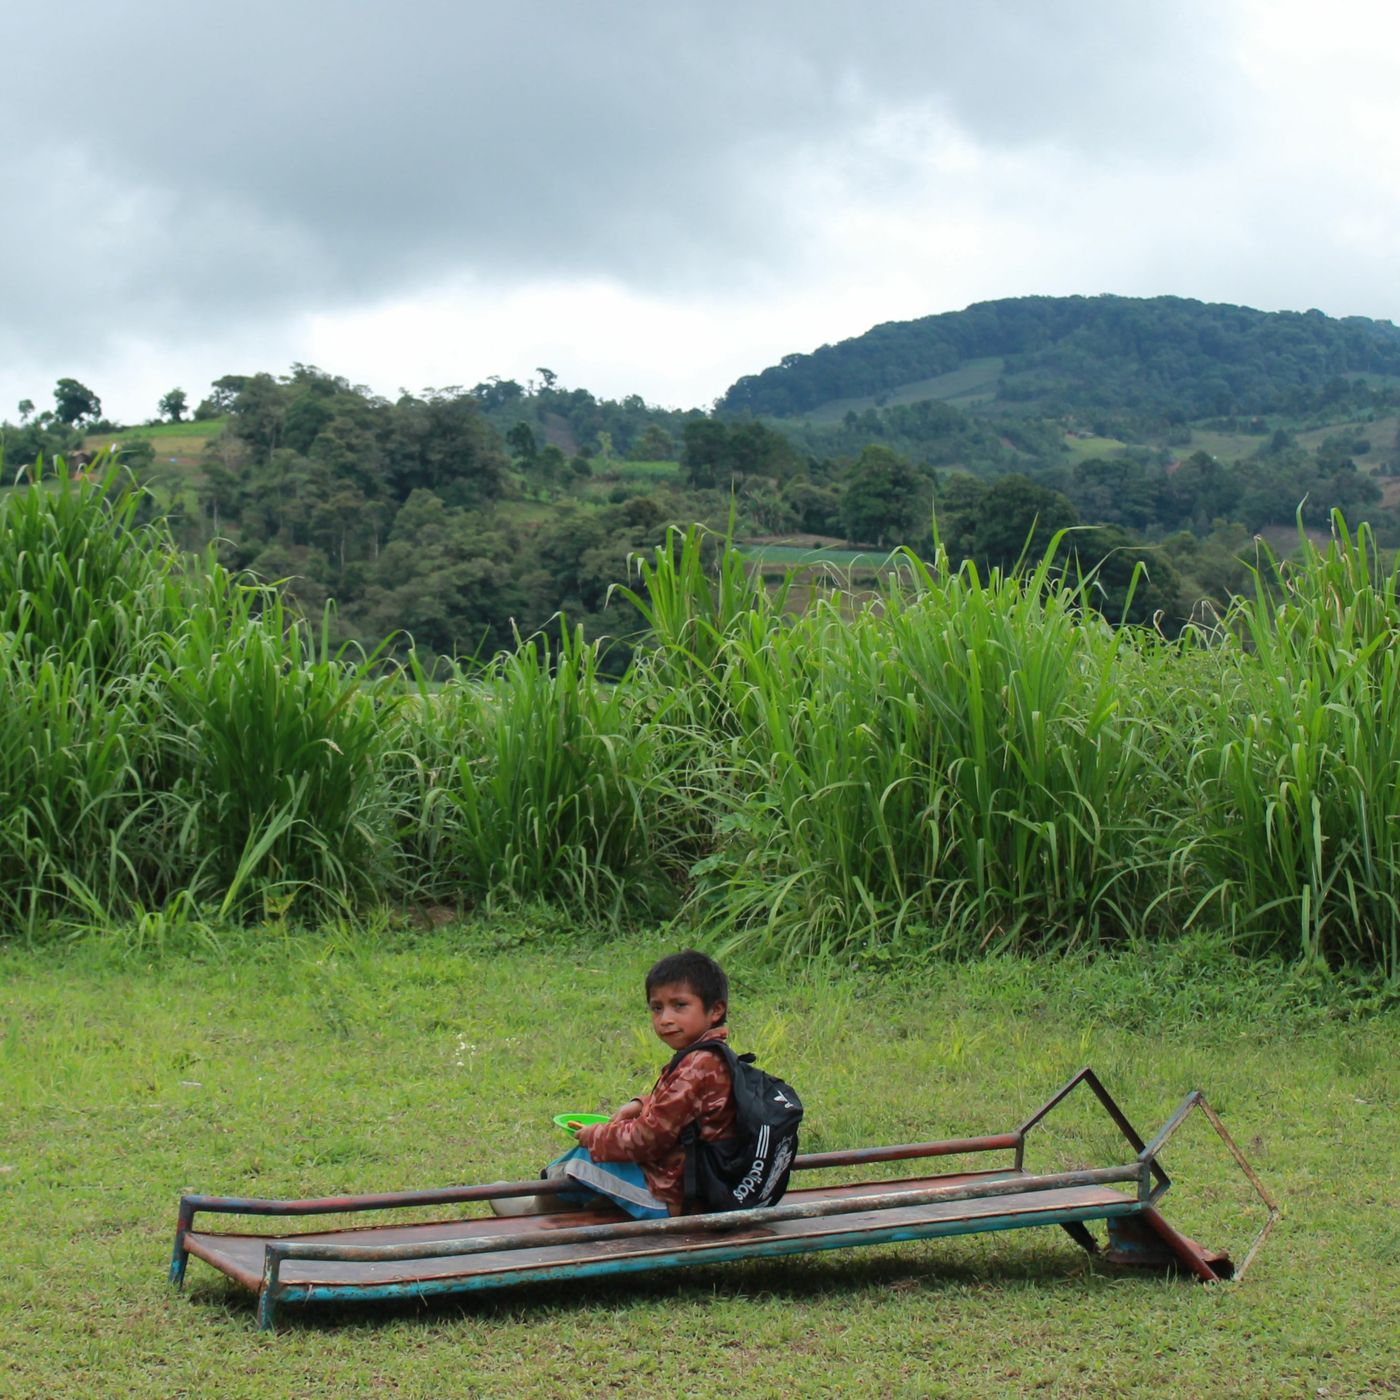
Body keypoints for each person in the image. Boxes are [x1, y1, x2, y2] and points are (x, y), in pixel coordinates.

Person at [496, 949, 736, 1220]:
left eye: (679, 1005)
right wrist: (640, 1105)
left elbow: (647, 1140)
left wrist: (596, 1136)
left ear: (715, 1010)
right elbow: (685, 1108)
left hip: (678, 1199)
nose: (665, 1019)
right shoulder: (712, 1057)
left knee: (585, 1160)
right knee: (604, 1157)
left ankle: (536, 1214)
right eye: (657, 1008)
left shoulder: (696, 1066)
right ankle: (574, 1210)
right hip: (697, 1184)